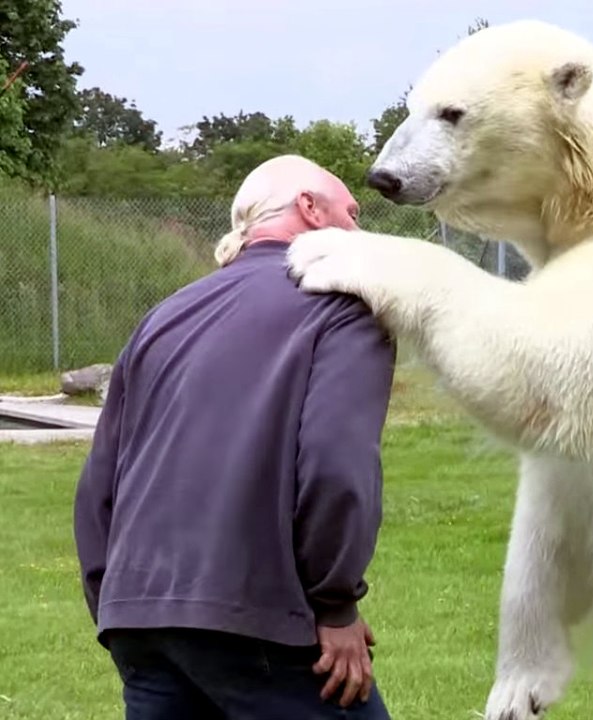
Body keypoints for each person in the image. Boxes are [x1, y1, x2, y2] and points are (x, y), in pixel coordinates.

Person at [72, 154, 397, 719]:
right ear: (310, 209)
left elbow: (100, 484)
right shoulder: (343, 307)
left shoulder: (165, 315)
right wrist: (335, 605)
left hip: (139, 623)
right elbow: (336, 465)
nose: (359, 231)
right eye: (352, 212)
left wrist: (118, 605)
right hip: (260, 622)